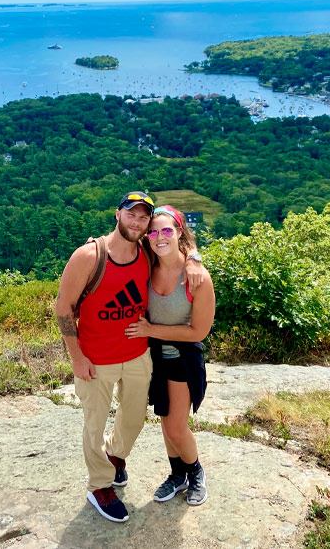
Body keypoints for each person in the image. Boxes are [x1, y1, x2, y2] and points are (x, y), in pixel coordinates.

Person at [55, 192, 204, 523]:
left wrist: (194, 257)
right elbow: (62, 307)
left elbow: (178, 245)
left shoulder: (146, 253)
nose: (137, 221)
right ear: (117, 215)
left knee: (134, 418)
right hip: (95, 358)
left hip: (137, 355)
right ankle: (99, 486)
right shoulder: (89, 256)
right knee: (94, 424)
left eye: (143, 217)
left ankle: (115, 456)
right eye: (131, 214)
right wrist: (76, 358)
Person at [125, 205, 215, 506]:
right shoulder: (147, 262)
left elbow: (198, 332)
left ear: (179, 233)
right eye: (153, 231)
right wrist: (93, 247)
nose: (159, 236)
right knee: (165, 420)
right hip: (153, 359)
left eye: (167, 230)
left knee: (176, 426)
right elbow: (118, 245)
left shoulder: (196, 278)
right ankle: (177, 475)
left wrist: (151, 329)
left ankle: (196, 472)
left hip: (181, 358)